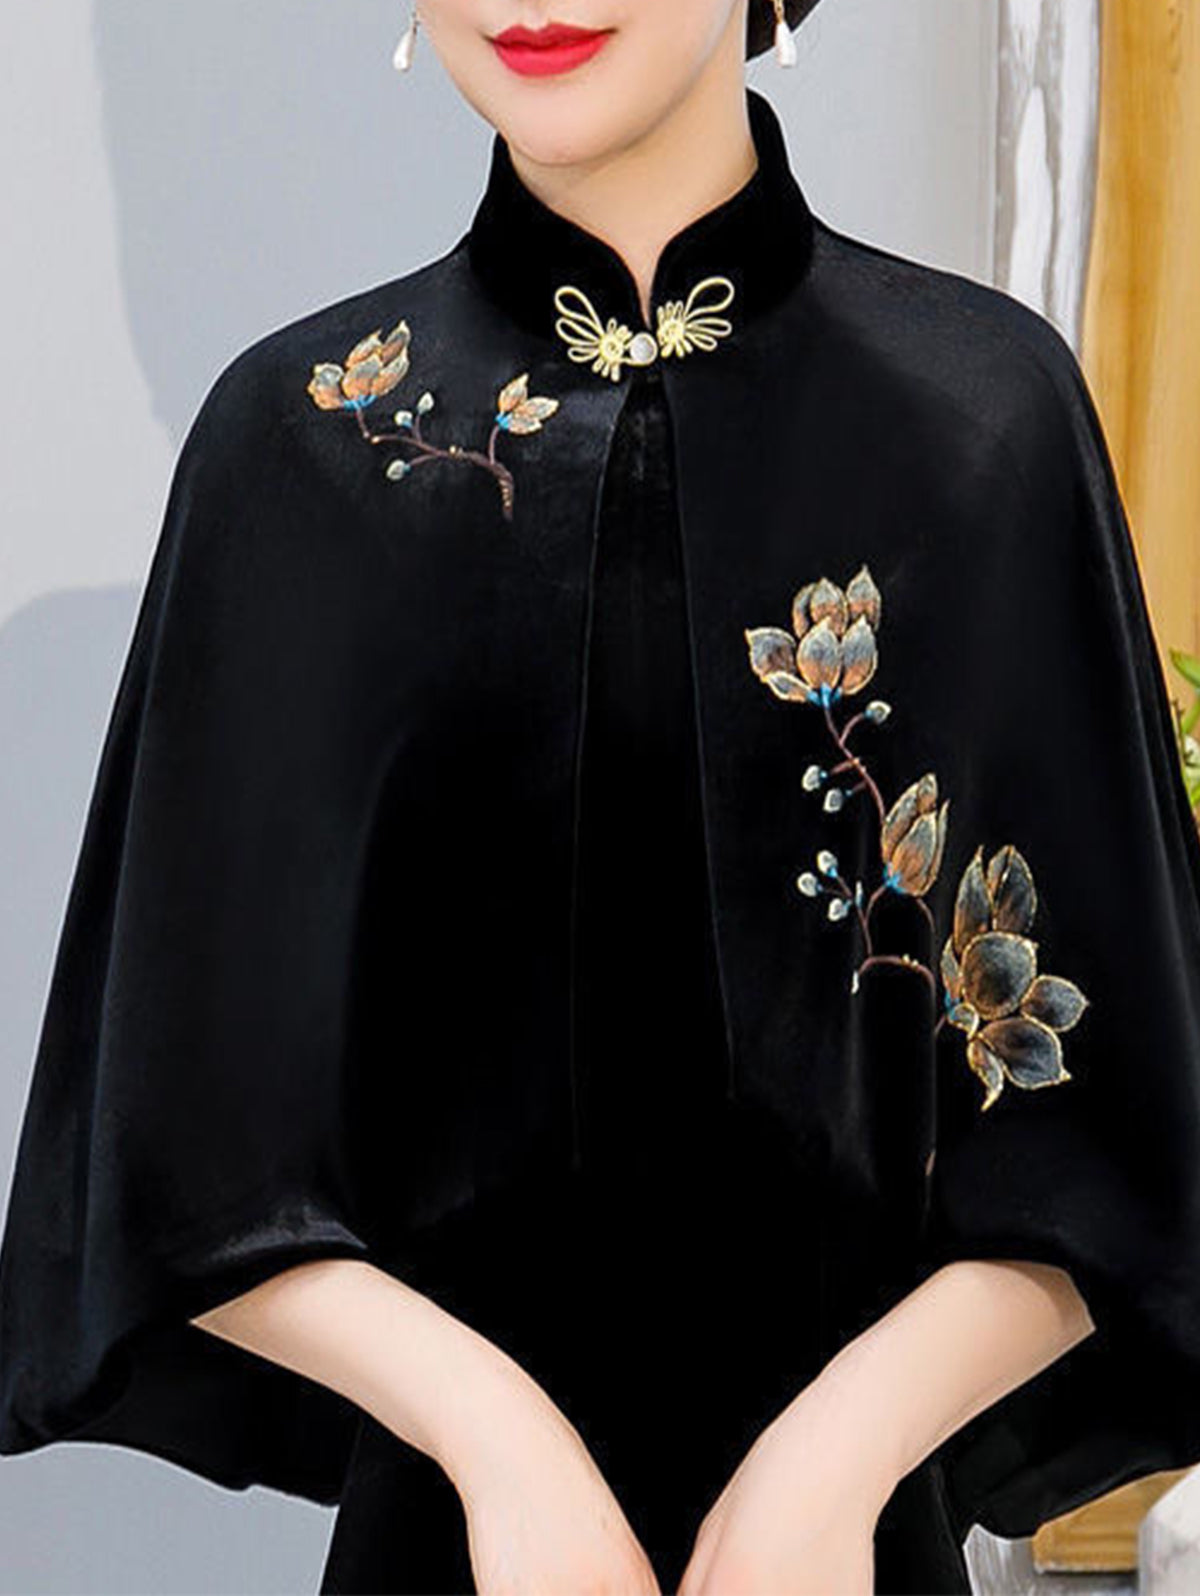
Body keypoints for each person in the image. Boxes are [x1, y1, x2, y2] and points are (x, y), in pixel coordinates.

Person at [4, 2, 1200, 1591]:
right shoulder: (299, 448)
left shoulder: (984, 421)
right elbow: (173, 1153)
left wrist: (832, 1463)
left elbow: (1117, 1138)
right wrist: (499, 1443)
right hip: (463, 1554)